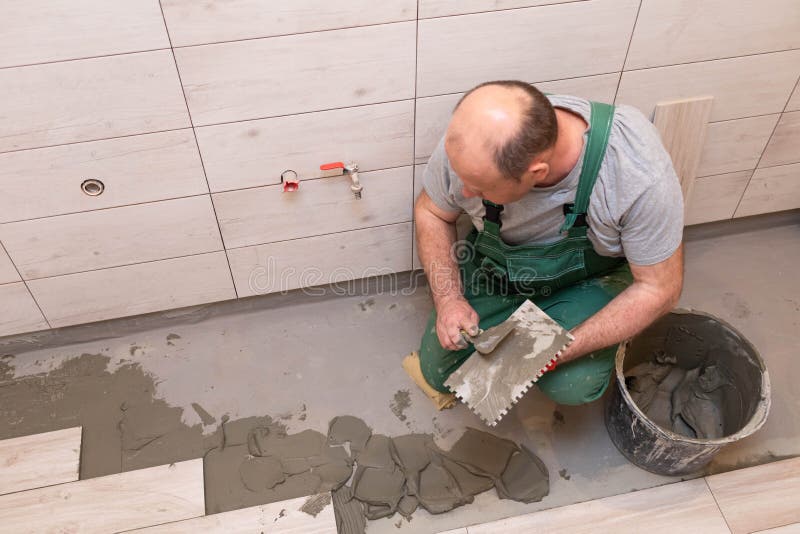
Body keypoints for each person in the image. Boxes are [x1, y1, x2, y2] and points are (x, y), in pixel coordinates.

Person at [414, 80, 684, 406]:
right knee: (439, 373)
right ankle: (525, 317)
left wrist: (555, 352)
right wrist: (448, 300)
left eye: (480, 189)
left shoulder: (633, 171)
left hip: (589, 276)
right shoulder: (471, 142)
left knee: (570, 384)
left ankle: (564, 323)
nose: (465, 193)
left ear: (536, 173)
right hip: (499, 267)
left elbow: (660, 289)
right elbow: (431, 211)